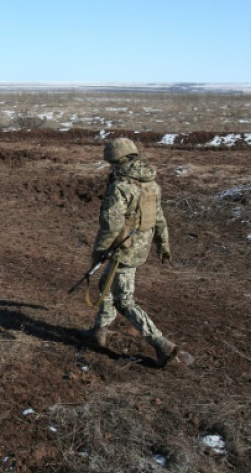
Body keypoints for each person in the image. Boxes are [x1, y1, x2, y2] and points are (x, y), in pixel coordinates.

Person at [81, 137, 180, 367]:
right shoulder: (151, 183)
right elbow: (159, 217)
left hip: (122, 251)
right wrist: (163, 244)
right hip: (139, 247)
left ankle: (162, 344)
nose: (110, 167)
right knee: (105, 284)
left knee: (124, 301)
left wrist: (98, 252)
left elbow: (110, 225)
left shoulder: (121, 187)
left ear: (117, 160)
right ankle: (100, 332)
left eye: (111, 163)